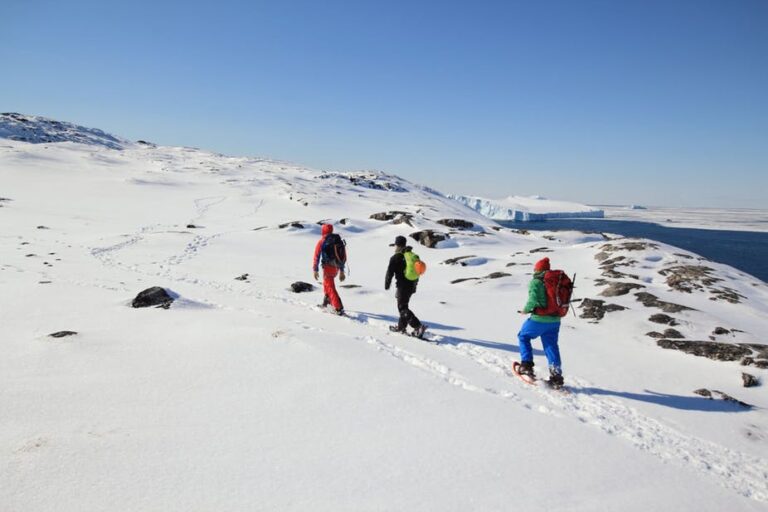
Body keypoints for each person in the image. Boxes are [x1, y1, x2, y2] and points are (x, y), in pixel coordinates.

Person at [517, 257, 564, 386]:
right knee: (551, 345)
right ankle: (556, 376)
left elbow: (532, 299)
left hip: (539, 319)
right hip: (555, 320)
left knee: (523, 336)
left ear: (537, 269)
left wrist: (525, 310)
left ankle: (526, 366)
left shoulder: (536, 282)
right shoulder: (556, 280)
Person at [385, 235, 426, 337]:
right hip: (412, 285)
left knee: (402, 308)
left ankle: (417, 326)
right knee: (404, 306)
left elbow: (389, 272)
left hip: (402, 286)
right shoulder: (412, 255)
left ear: (397, 244)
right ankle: (401, 327)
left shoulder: (395, 257)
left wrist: (387, 284)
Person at [313, 223, 345, 315]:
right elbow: (342, 256)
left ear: (323, 230)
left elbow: (316, 256)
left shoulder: (322, 241)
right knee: (326, 284)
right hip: (337, 267)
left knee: (330, 287)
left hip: (328, 267)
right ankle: (326, 302)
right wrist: (342, 271)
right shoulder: (337, 241)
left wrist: (315, 269)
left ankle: (338, 307)